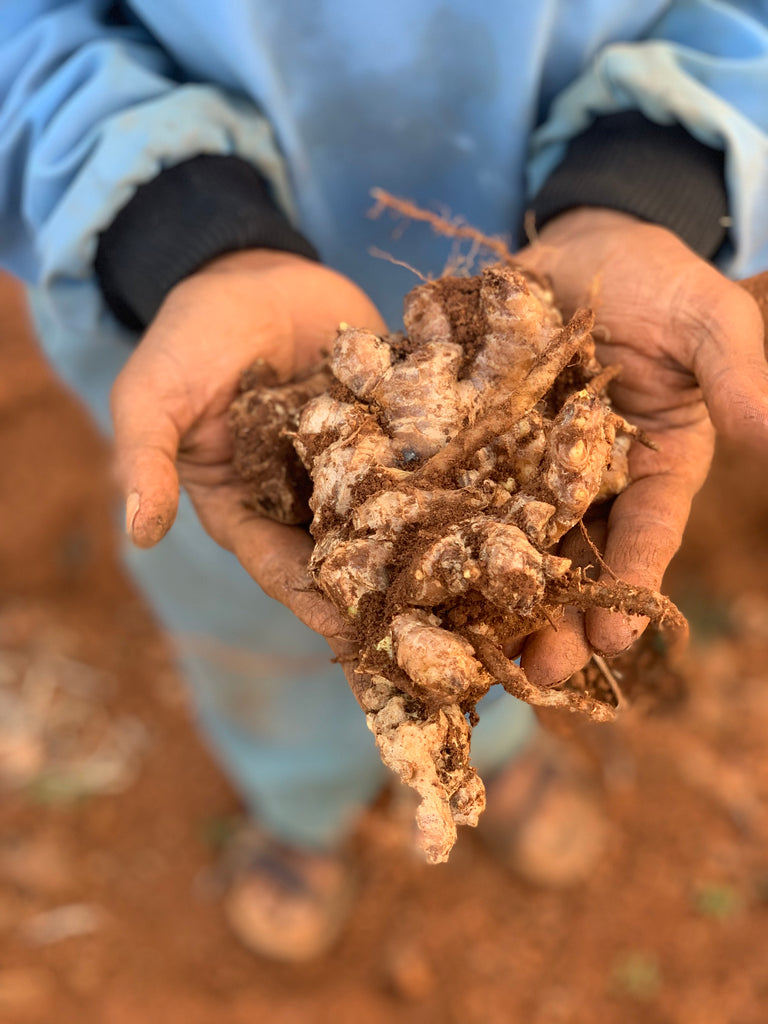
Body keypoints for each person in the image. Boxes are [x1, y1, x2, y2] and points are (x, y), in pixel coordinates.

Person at [1, 1, 767, 962]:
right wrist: (180, 230)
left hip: (567, 223)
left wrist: (653, 178)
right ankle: (297, 804)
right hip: (200, 311)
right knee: (253, 615)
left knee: (517, 644)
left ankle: (495, 754)